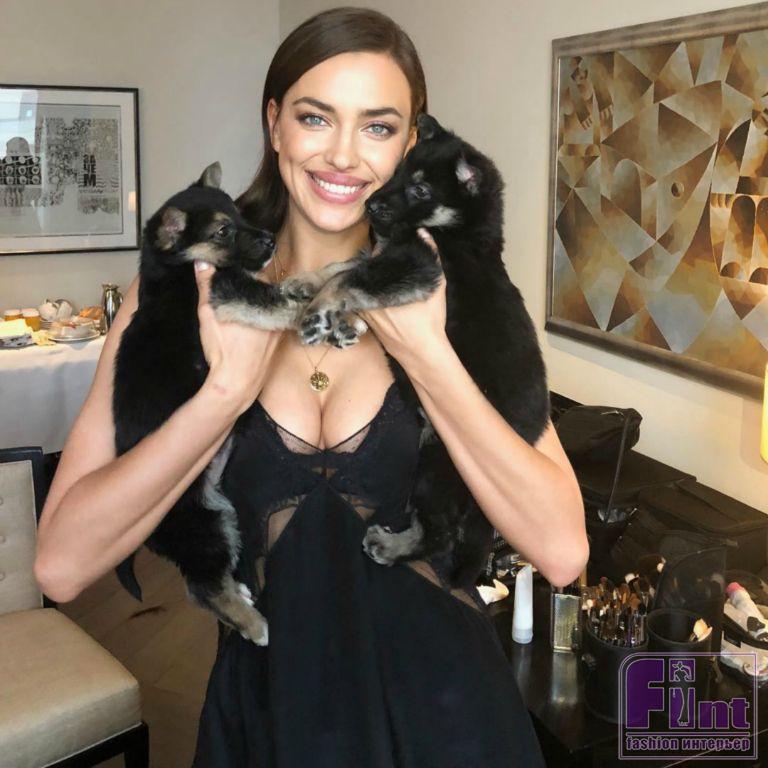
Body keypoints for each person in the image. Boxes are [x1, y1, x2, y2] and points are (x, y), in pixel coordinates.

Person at [34, 7, 588, 766]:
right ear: (274, 124)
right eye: (315, 117)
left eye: (378, 126)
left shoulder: (455, 287)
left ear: (410, 142)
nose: (343, 155)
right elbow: (61, 564)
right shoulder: (185, 292)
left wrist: (427, 353)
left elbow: (561, 550)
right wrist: (226, 394)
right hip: (271, 720)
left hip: (452, 721)